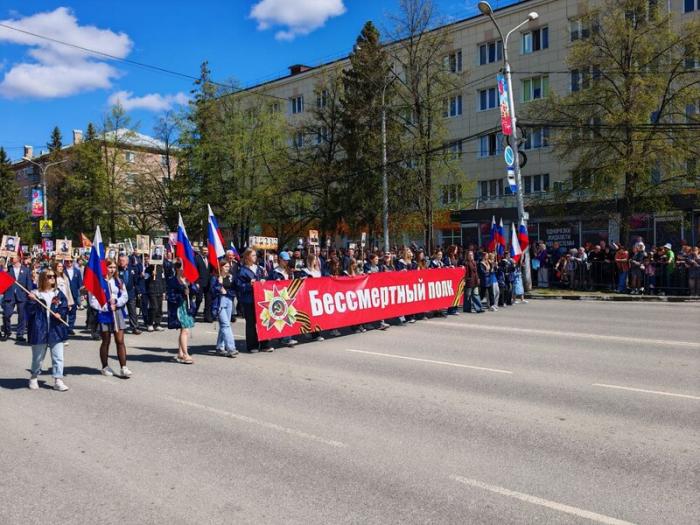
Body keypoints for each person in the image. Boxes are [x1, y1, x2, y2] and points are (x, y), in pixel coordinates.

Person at [26, 269, 70, 391]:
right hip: (39, 328)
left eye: (53, 276)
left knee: (58, 356)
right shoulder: (34, 293)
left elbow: (64, 306)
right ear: (43, 278)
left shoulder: (58, 293)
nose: (52, 278)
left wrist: (60, 313)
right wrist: (32, 301)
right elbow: (29, 312)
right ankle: (34, 377)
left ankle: (58, 380)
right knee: (38, 357)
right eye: (49, 276)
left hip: (56, 329)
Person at [88, 259, 132, 377]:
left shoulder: (119, 281)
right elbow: (93, 301)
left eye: (114, 267)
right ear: (105, 268)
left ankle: (123, 367)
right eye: (110, 267)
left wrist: (117, 302)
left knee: (120, 341)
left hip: (117, 312)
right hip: (104, 313)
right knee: (106, 341)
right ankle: (105, 366)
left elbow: (125, 296)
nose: (112, 270)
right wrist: (106, 306)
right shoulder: (99, 282)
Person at [235, 248, 273, 352]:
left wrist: (264, 280)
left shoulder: (259, 268)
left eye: (255, 255)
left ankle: (265, 344)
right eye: (253, 255)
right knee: (251, 323)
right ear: (247, 257)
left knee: (264, 321)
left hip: (261, 299)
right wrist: (249, 284)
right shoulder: (242, 270)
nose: (255, 257)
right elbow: (239, 286)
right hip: (249, 300)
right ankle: (252, 345)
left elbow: (267, 279)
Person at [166, 259, 197, 364]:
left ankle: (180, 353)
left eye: (184, 268)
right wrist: (182, 293)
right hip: (178, 308)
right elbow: (170, 296)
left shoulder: (188, 279)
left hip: (187, 307)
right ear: (177, 269)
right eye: (181, 268)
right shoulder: (172, 280)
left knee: (184, 330)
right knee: (185, 330)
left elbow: (195, 291)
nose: (183, 270)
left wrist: (190, 288)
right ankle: (185, 354)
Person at [269, 252, 299, 346]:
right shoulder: (275, 271)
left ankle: (285, 337)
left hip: (289, 295)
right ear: (280, 259)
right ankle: (286, 338)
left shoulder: (289, 270)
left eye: (287, 260)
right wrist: (276, 282)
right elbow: (270, 283)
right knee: (283, 317)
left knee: (288, 316)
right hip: (279, 297)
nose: (286, 262)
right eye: (284, 260)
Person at [210, 260, 239, 357]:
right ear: (221, 267)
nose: (228, 268)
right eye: (225, 266)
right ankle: (231, 348)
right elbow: (212, 291)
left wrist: (227, 291)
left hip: (229, 301)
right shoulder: (215, 278)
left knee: (225, 325)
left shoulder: (230, 277)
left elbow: (234, 289)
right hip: (219, 302)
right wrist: (219, 285)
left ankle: (219, 347)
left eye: (228, 267)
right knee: (226, 325)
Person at [2, 255, 32, 342]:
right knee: (6, 314)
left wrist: (29, 293)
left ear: (18, 259)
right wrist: (3, 273)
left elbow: (28, 282)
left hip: (22, 295)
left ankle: (20, 334)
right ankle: (7, 331)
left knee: (22, 316)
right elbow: (2, 282)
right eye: (11, 257)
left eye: (13, 257)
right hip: (9, 294)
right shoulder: (8, 268)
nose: (11, 258)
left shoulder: (26, 270)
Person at [118, 255, 142, 334]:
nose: (121, 262)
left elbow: (136, 281)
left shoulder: (132, 269)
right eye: (120, 260)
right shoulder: (117, 270)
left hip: (130, 293)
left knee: (132, 311)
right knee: (120, 311)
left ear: (127, 262)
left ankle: (135, 327)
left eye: (123, 261)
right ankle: (120, 327)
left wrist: (138, 292)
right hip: (120, 294)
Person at [144, 259, 166, 332]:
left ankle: (157, 324)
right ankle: (150, 323)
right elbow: (145, 280)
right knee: (154, 307)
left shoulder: (160, 268)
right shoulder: (148, 269)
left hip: (159, 290)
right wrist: (151, 275)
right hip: (151, 290)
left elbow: (163, 280)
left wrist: (164, 291)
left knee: (159, 308)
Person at [63, 257, 82, 334]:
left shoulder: (77, 271)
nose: (69, 263)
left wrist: (81, 295)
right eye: (67, 261)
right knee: (64, 311)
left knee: (73, 312)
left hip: (74, 294)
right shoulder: (62, 271)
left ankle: (70, 328)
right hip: (64, 294)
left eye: (70, 261)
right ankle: (64, 327)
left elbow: (80, 284)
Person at [194, 246, 213, 322]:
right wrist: (196, 282)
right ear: (201, 251)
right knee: (199, 299)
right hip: (200, 283)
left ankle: (207, 317)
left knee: (208, 300)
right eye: (204, 250)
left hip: (208, 283)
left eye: (206, 250)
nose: (205, 252)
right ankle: (193, 314)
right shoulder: (197, 258)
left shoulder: (209, 259)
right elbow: (195, 271)